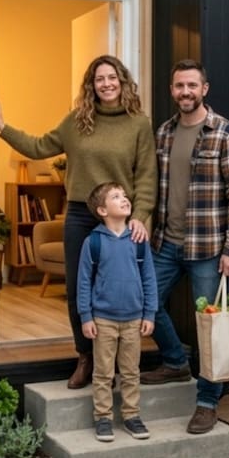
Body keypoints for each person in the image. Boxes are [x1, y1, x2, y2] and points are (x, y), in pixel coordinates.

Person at [0, 54, 157, 389]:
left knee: (115, 286)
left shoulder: (139, 124)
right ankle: (86, 358)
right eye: (99, 79)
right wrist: (2, 128)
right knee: (78, 286)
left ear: (122, 82)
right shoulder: (77, 121)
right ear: (91, 85)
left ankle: (117, 362)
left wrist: (139, 216)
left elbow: (146, 176)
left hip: (119, 219)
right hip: (81, 214)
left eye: (112, 78)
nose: (106, 84)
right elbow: (39, 147)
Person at [142, 59, 229, 434]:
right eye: (178, 86)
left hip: (209, 248)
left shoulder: (226, 134)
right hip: (166, 243)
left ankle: (207, 401)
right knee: (145, 302)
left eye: (191, 85)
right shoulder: (164, 133)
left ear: (204, 89)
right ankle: (175, 361)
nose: (184, 92)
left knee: (211, 329)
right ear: (171, 90)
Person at [77, 182, 157, 442]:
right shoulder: (94, 243)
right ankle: (103, 418)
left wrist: (150, 313)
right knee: (103, 372)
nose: (124, 199)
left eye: (124, 195)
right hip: (104, 320)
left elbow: (149, 279)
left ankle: (132, 415)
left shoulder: (139, 240)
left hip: (134, 319)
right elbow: (84, 282)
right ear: (102, 210)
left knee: (131, 371)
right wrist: (86, 317)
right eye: (115, 196)